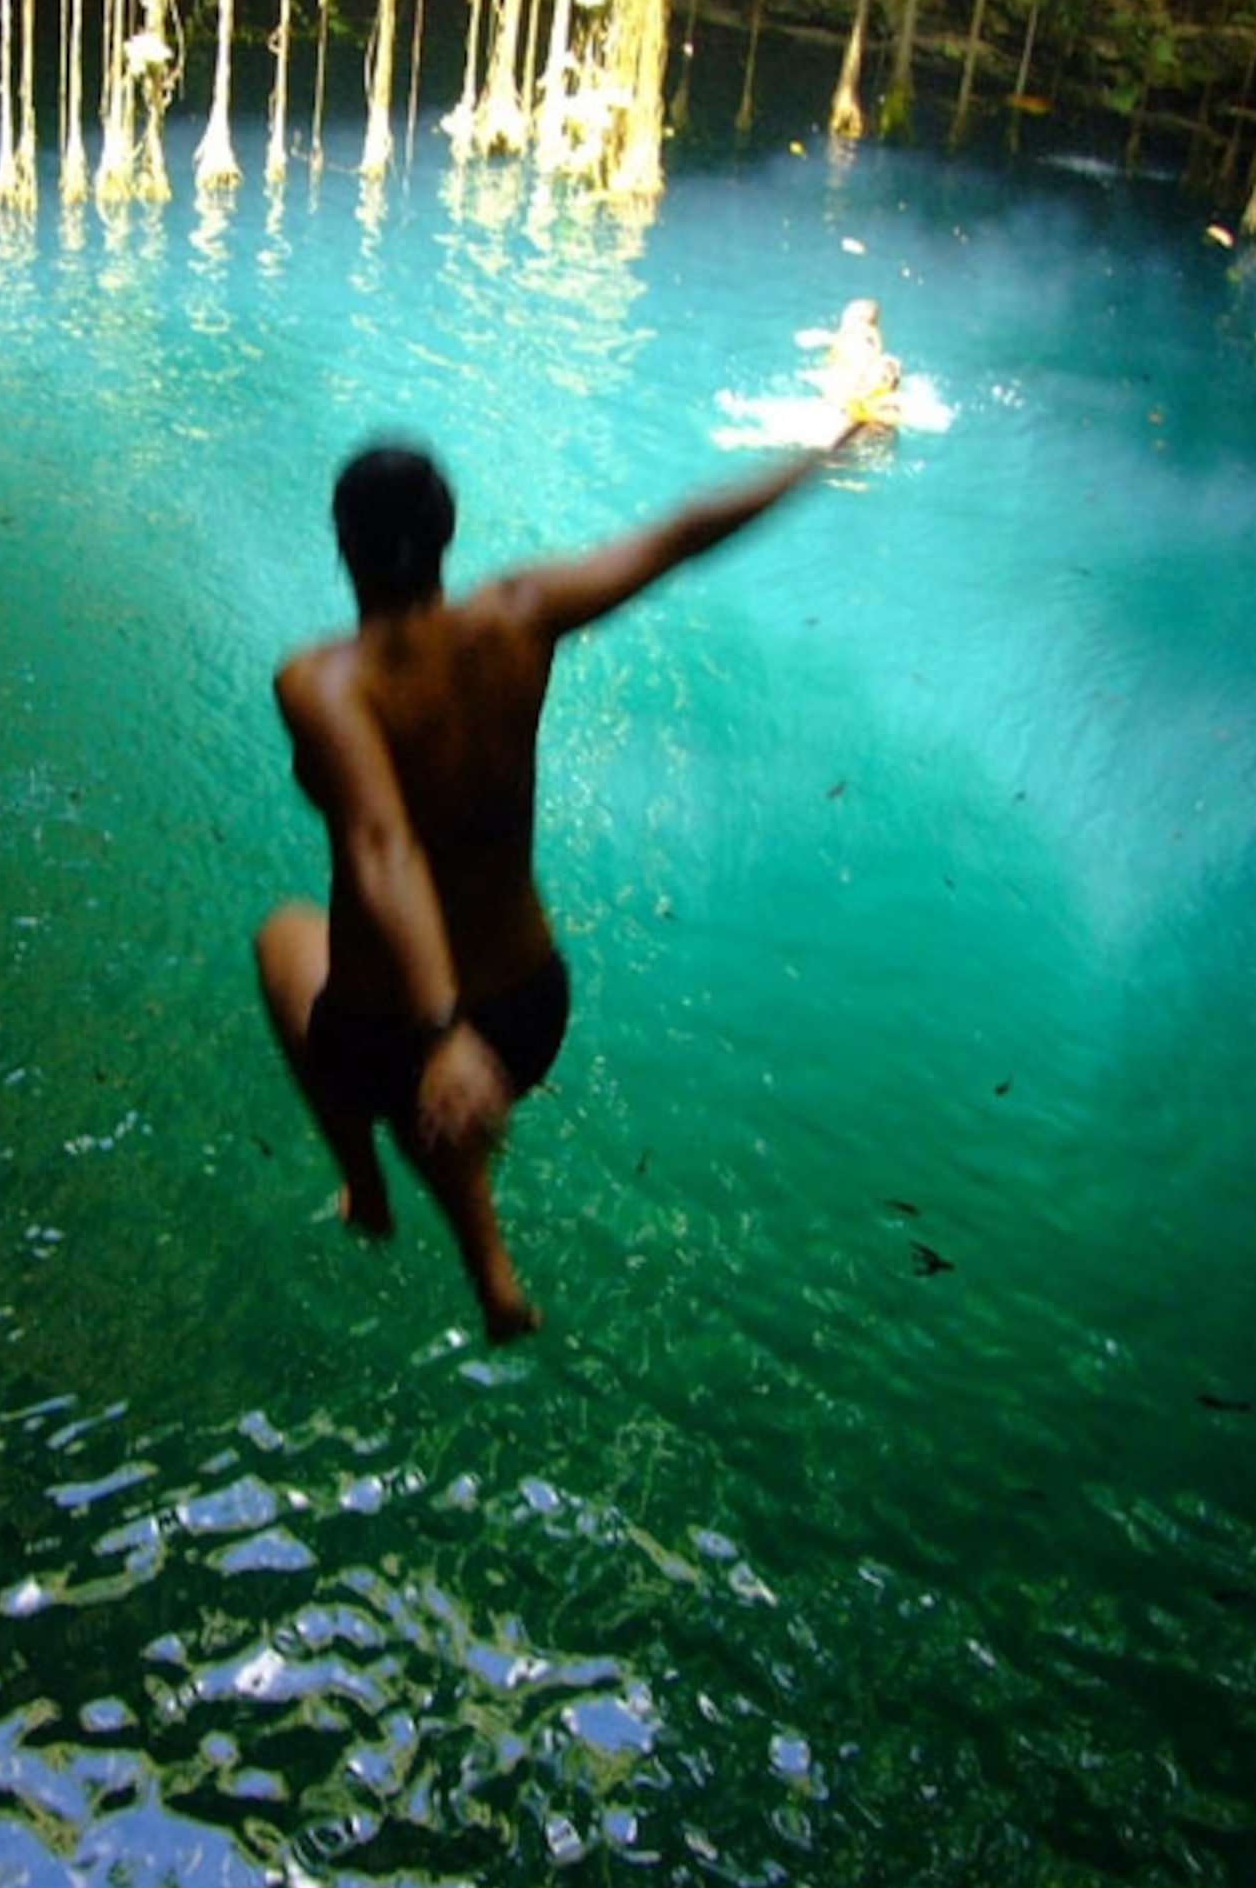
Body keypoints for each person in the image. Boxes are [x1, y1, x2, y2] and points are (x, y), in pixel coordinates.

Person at [254, 430, 860, 1340]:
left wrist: (443, 1029)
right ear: (449, 532)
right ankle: (492, 1280)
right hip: (530, 1013)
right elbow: (684, 531)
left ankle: (369, 1188)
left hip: (412, 1028)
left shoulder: (322, 683)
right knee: (427, 1079)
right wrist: (828, 451)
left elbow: (385, 846)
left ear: (341, 541)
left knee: (284, 944)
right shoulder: (519, 614)